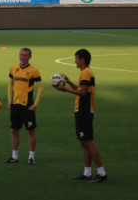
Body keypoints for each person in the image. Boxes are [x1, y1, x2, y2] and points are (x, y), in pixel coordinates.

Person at [55, 48, 107, 183]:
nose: (75, 61)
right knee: (84, 143)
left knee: (88, 142)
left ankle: (102, 173)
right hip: (82, 111)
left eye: (76, 58)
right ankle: (87, 173)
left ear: (82, 60)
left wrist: (66, 89)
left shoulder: (86, 73)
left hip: (84, 112)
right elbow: (82, 89)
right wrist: (70, 82)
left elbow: (83, 93)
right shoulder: (85, 72)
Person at [4, 47, 43, 165]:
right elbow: (10, 85)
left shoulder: (34, 71)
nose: (23, 57)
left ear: (30, 57)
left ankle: (31, 157)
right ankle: (14, 156)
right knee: (14, 131)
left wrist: (35, 104)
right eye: (21, 55)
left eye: (25, 55)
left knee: (31, 132)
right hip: (15, 106)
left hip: (27, 106)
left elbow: (40, 88)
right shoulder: (13, 68)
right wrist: (10, 100)